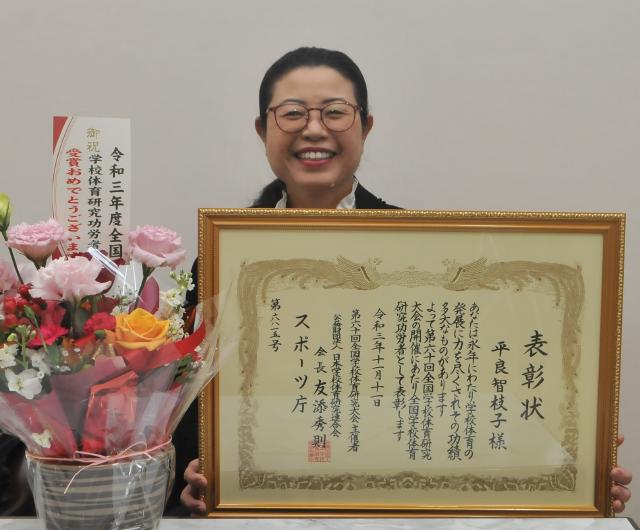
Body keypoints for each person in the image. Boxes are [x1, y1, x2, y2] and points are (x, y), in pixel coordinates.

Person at [175, 46, 633, 515]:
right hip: (265, 508)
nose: (313, 129)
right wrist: (195, 478)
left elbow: (488, 392)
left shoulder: (425, 253)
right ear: (262, 130)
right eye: (292, 113)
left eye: (335, 112)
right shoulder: (220, 262)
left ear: (366, 126)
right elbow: (189, 411)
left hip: (393, 509)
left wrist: (577, 467)